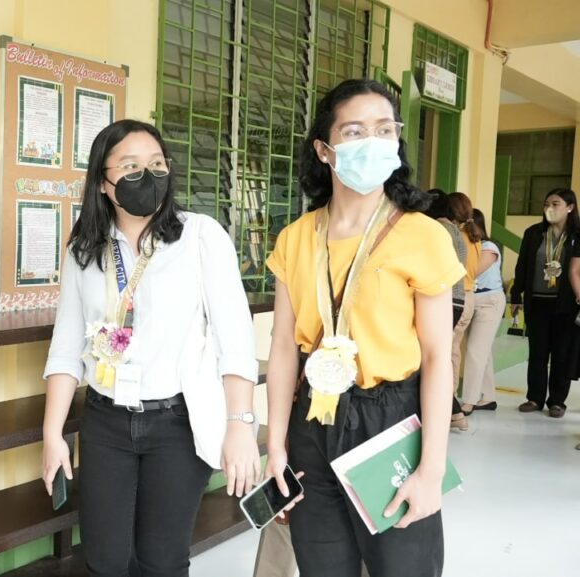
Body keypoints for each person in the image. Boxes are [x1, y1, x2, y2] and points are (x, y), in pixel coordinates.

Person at [41, 119, 260, 576]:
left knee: (162, 561)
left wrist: (240, 424)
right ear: (103, 183)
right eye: (131, 166)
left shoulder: (200, 236)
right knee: (104, 559)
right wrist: (52, 433)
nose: (149, 175)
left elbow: (235, 337)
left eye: (157, 164)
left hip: (176, 423)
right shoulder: (84, 250)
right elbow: (66, 348)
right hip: (105, 421)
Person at [264, 78, 463, 577]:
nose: (372, 141)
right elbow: (284, 347)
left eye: (384, 129)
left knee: (403, 566)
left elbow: (437, 356)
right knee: (321, 565)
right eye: (354, 131)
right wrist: (275, 446)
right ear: (324, 150)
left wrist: (431, 467)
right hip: (314, 417)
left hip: (390, 418)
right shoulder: (295, 238)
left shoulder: (423, 235)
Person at [509, 188, 580, 418]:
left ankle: (557, 401)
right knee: (537, 353)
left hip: (566, 304)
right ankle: (535, 398)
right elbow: (522, 266)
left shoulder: (577, 235)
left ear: (570, 207)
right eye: (546, 204)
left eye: (555, 204)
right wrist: (516, 294)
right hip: (537, 302)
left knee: (561, 354)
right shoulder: (534, 233)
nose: (549, 208)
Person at [423, 190, 470, 432]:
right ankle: (453, 413)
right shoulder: (454, 230)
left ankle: (453, 412)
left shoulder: (436, 229)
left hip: (443, 298)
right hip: (457, 299)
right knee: (438, 357)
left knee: (430, 359)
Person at [460, 209, 505, 415]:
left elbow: (472, 271)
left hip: (489, 302)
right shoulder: (467, 247)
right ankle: (488, 397)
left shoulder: (489, 247)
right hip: (471, 300)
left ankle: (468, 401)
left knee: (475, 351)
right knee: (481, 351)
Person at [447, 192, 483, 390]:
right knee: (453, 350)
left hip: (456, 297)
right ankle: (451, 396)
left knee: (446, 352)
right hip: (469, 296)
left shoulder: (455, 236)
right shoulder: (475, 237)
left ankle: (448, 398)